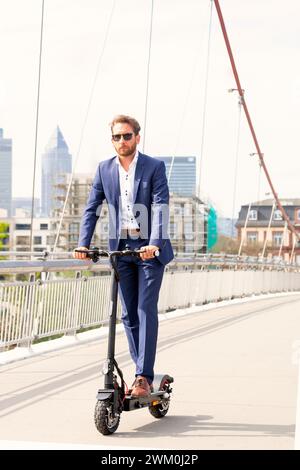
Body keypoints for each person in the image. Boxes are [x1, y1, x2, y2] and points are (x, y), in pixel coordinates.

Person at [74, 115, 174, 397]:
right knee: (129, 315)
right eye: (116, 137)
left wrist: (154, 242)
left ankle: (143, 376)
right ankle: (140, 372)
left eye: (127, 136)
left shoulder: (154, 166)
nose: (122, 141)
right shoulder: (104, 169)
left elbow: (160, 205)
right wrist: (84, 243)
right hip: (121, 249)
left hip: (148, 250)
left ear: (137, 137)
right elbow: (92, 208)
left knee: (145, 309)